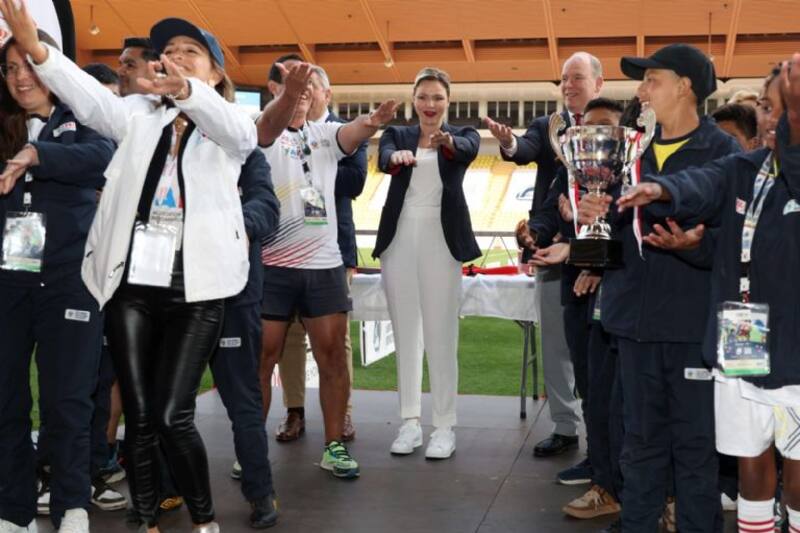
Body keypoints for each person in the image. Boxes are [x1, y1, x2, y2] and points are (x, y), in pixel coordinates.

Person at [0, 4, 262, 531]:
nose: (175, 58)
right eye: (168, 52)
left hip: (197, 289)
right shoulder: (139, 117)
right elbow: (90, 97)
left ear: (216, 73)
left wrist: (187, 91)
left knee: (170, 414)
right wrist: (37, 49)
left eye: (190, 52)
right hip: (134, 286)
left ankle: (204, 520)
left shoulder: (232, 125)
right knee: (139, 417)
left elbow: (238, 132)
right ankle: (145, 520)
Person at [617, 54, 800, 533]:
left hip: (787, 344)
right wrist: (661, 191)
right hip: (740, 337)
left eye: (781, 108)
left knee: (780, 466)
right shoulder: (743, 166)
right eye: (766, 107)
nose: (769, 118)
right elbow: (704, 184)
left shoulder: (770, 165)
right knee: (748, 457)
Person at [577, 43, 741, 532]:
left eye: (653, 80)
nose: (642, 90)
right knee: (639, 445)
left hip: (692, 329)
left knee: (694, 449)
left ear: (684, 87)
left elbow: (733, 244)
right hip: (633, 327)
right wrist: (590, 226)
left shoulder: (725, 153)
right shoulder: (631, 150)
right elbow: (615, 232)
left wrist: (694, 246)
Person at [256, 55, 397, 479]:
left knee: (333, 356)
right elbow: (268, 126)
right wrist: (288, 97)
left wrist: (372, 122)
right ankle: (251, 449)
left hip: (324, 264)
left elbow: (351, 134)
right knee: (262, 359)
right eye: (290, 87)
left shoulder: (322, 133)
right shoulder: (259, 129)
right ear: (275, 91)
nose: (300, 94)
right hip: (271, 264)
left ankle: (334, 446)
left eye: (306, 87)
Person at [0, 24, 115, 533]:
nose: (20, 78)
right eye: (10, 69)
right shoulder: (3, 122)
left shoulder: (84, 116)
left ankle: (72, 505)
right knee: (6, 399)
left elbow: (102, 157)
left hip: (70, 280)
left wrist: (38, 155)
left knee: (68, 400)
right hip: (9, 282)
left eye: (28, 65)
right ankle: (14, 509)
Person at [491, 51, 603, 459]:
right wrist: (507, 141)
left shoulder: (615, 129)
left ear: (598, 84)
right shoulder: (549, 126)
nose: (568, 85)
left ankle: (605, 435)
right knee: (555, 342)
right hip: (549, 244)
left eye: (577, 78)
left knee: (602, 345)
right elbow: (523, 150)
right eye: (563, 79)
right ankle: (565, 426)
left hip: (602, 252)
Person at [525, 97, 625, 520]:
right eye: (588, 125)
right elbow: (551, 216)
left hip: (616, 294)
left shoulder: (631, 174)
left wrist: (581, 249)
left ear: (623, 134)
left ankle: (616, 480)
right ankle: (599, 467)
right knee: (588, 384)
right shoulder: (571, 171)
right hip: (576, 289)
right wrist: (536, 234)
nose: (594, 133)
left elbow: (624, 234)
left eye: (605, 126)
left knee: (613, 394)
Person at [373, 67, 480, 460]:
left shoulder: (464, 134)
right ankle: (409, 422)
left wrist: (447, 141)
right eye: (423, 97)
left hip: (442, 237)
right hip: (399, 237)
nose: (430, 104)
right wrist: (396, 157)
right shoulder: (397, 135)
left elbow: (464, 150)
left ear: (448, 101)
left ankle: (444, 426)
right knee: (406, 332)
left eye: (437, 97)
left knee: (441, 332)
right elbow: (384, 158)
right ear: (413, 100)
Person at [275, 63, 367, 444]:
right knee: (290, 338)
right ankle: (294, 411)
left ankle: (342, 414)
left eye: (311, 85)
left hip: (332, 249)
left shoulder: (344, 131)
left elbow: (355, 181)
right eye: (299, 84)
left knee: (335, 341)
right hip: (284, 250)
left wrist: (310, 163)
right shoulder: (277, 131)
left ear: (326, 94)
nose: (305, 90)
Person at [209, 147, 281, 528]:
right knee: (169, 402)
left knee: (243, 401)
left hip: (236, 296)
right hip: (180, 296)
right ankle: (164, 487)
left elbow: (267, 207)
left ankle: (260, 491)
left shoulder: (246, 153)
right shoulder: (171, 146)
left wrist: (229, 225)